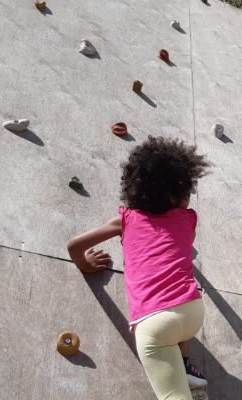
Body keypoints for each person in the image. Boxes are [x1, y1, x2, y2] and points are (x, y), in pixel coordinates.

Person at [67, 136, 209, 399]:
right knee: (176, 292)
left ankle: (180, 370)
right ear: (175, 196)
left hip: (153, 324)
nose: (189, 198)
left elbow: (75, 245)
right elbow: (185, 244)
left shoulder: (126, 220)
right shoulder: (188, 218)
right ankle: (184, 363)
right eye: (186, 191)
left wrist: (86, 265)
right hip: (192, 312)